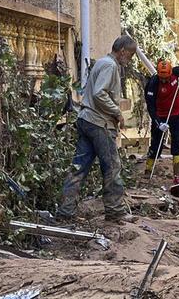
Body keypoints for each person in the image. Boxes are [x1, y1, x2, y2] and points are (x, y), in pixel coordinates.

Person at [57, 35, 137, 223]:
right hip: (99, 123)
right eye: (131, 55)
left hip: (86, 119)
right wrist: (117, 112)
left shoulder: (102, 62)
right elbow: (99, 93)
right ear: (123, 51)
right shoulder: (110, 66)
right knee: (112, 166)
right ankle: (115, 211)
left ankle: (65, 211)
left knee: (79, 168)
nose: (130, 59)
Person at [144, 60, 179, 177]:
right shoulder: (152, 84)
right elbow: (151, 107)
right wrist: (158, 123)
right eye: (162, 78)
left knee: (177, 144)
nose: (164, 80)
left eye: (166, 78)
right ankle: (148, 170)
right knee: (155, 144)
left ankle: (177, 174)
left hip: (177, 115)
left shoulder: (175, 72)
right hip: (160, 116)